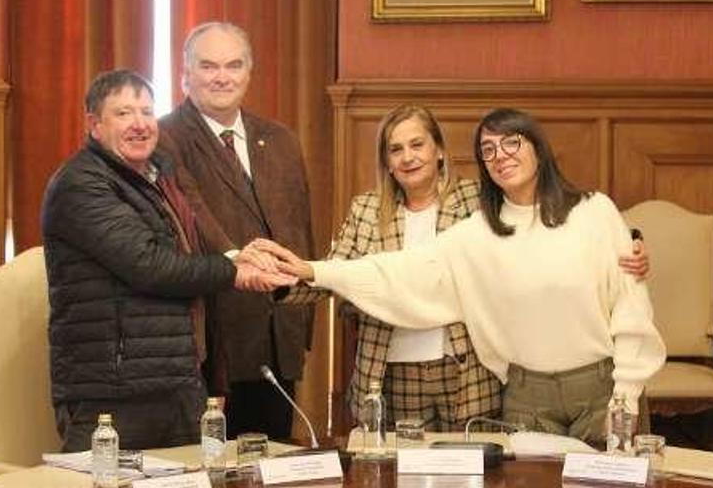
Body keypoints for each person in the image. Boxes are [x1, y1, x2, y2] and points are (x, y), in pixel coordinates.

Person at [264, 108, 666, 444]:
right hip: (496, 391)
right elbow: (395, 270)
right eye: (489, 149)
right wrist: (307, 270)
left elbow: (620, 289)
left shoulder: (563, 210)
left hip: (570, 385)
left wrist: (631, 240)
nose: (501, 156)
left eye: (512, 143)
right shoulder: (460, 227)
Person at [41, 69, 290, 451]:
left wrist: (239, 255)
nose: (140, 124)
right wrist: (234, 271)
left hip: (176, 379)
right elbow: (149, 265)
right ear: (94, 125)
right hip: (114, 391)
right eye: (124, 113)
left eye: (146, 111)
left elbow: (190, 248)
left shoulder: (160, 175)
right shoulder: (81, 183)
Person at [157, 22, 314, 439]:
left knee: (275, 466)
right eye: (208, 66)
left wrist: (303, 312)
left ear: (249, 72)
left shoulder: (280, 139)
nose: (221, 77)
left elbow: (302, 230)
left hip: (280, 337)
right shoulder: (165, 137)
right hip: (213, 340)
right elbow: (194, 212)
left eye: (233, 65)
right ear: (185, 74)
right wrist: (239, 263)